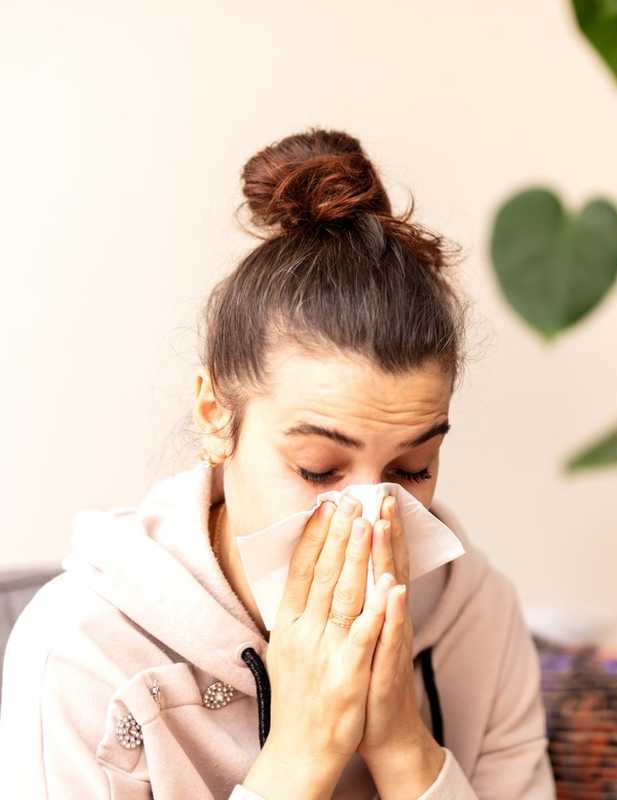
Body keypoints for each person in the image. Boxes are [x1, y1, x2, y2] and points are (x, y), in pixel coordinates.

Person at [0, 128, 556, 799]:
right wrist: (302, 752)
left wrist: (405, 747)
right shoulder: (82, 652)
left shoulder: (479, 616)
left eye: (413, 468)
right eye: (319, 469)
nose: (369, 516)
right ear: (215, 416)